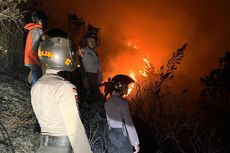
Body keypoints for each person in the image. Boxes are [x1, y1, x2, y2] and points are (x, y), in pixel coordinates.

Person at [31, 28, 92, 153]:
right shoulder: (64, 87)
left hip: (44, 147)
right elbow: (75, 130)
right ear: (60, 53)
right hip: (62, 148)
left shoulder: (37, 85)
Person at [104, 74, 140, 153]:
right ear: (119, 86)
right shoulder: (123, 103)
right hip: (122, 137)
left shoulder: (107, 102)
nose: (127, 88)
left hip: (111, 136)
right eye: (126, 86)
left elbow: (108, 121)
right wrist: (135, 143)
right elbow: (129, 123)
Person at [79, 25, 103, 101]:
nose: (93, 43)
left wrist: (99, 78)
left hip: (95, 78)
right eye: (90, 41)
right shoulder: (83, 50)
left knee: (96, 97)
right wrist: (84, 78)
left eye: (94, 41)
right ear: (86, 41)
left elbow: (99, 68)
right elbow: (81, 65)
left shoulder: (96, 54)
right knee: (88, 97)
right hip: (87, 76)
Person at [24, 10, 48, 86]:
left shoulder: (34, 30)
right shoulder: (37, 30)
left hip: (32, 60)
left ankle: (34, 93)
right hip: (34, 60)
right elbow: (35, 48)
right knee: (37, 83)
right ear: (40, 20)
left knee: (35, 80)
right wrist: (40, 62)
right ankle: (35, 96)